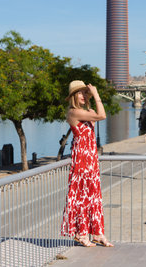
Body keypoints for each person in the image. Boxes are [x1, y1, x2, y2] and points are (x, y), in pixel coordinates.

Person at [61, 80, 114, 247]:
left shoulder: (84, 112)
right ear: (73, 96)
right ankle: (81, 233)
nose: (83, 96)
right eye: (80, 93)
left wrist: (93, 108)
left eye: (86, 93)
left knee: (94, 197)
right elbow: (102, 115)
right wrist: (96, 94)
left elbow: (97, 116)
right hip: (82, 160)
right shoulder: (74, 112)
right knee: (82, 198)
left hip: (91, 159)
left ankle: (97, 233)